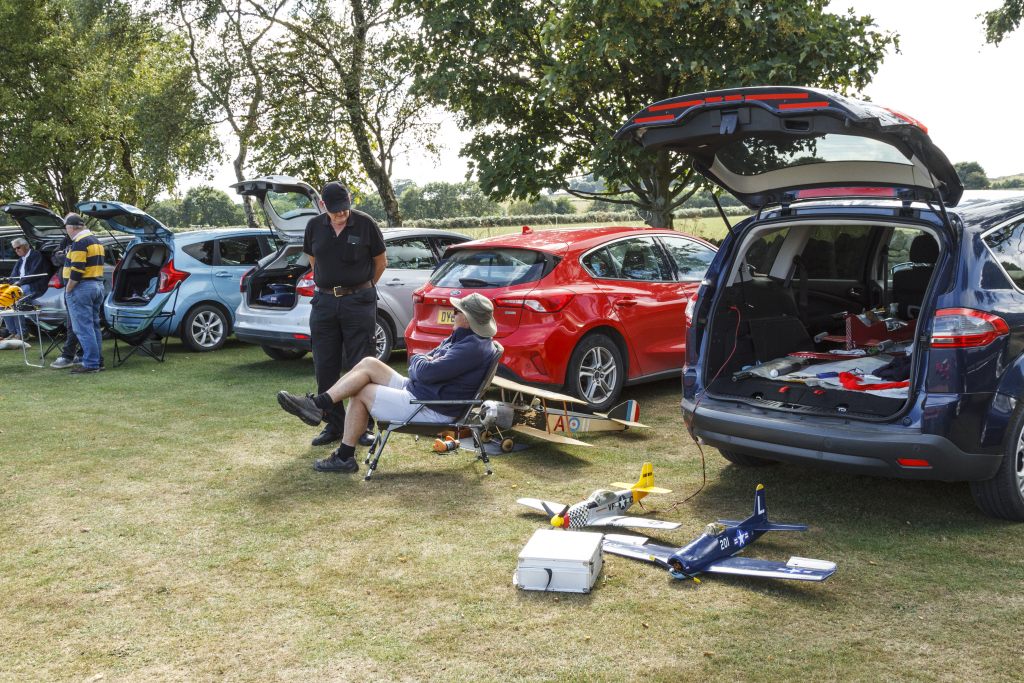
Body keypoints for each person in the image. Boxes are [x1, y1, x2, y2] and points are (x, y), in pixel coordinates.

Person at [277, 293, 498, 473]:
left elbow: (424, 369)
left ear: (467, 318)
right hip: (422, 393)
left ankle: (344, 456)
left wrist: (420, 361)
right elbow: (424, 364)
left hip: (430, 406)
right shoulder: (464, 337)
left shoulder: (470, 348)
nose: (453, 313)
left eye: (457, 311)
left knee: (361, 391)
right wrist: (422, 362)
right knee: (369, 363)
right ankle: (319, 405)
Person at [303, 182, 387, 448]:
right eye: (335, 210)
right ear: (323, 206)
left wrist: (360, 289)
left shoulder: (366, 224)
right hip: (324, 302)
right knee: (324, 364)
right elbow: (314, 261)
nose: (341, 213)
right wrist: (330, 286)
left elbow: (381, 262)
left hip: (358, 302)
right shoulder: (314, 226)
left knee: (361, 364)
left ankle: (363, 427)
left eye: (345, 208)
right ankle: (334, 424)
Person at [61, 213, 105, 374]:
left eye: (66, 227)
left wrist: (69, 288)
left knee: (83, 328)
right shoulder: (96, 241)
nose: (66, 231)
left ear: (71, 228)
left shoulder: (80, 242)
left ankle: (91, 363)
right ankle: (98, 361)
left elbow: (77, 269)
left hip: (81, 287)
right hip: (97, 285)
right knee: (93, 326)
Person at [0, 238, 48, 341]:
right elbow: (13, 276)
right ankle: (13, 332)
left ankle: (22, 333)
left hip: (33, 285)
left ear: (26, 246)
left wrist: (19, 283)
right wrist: (8, 284)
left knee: (15, 300)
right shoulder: (21, 259)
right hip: (21, 286)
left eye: (18, 248)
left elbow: (34, 274)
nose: (16, 250)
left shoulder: (36, 255)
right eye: (14, 249)